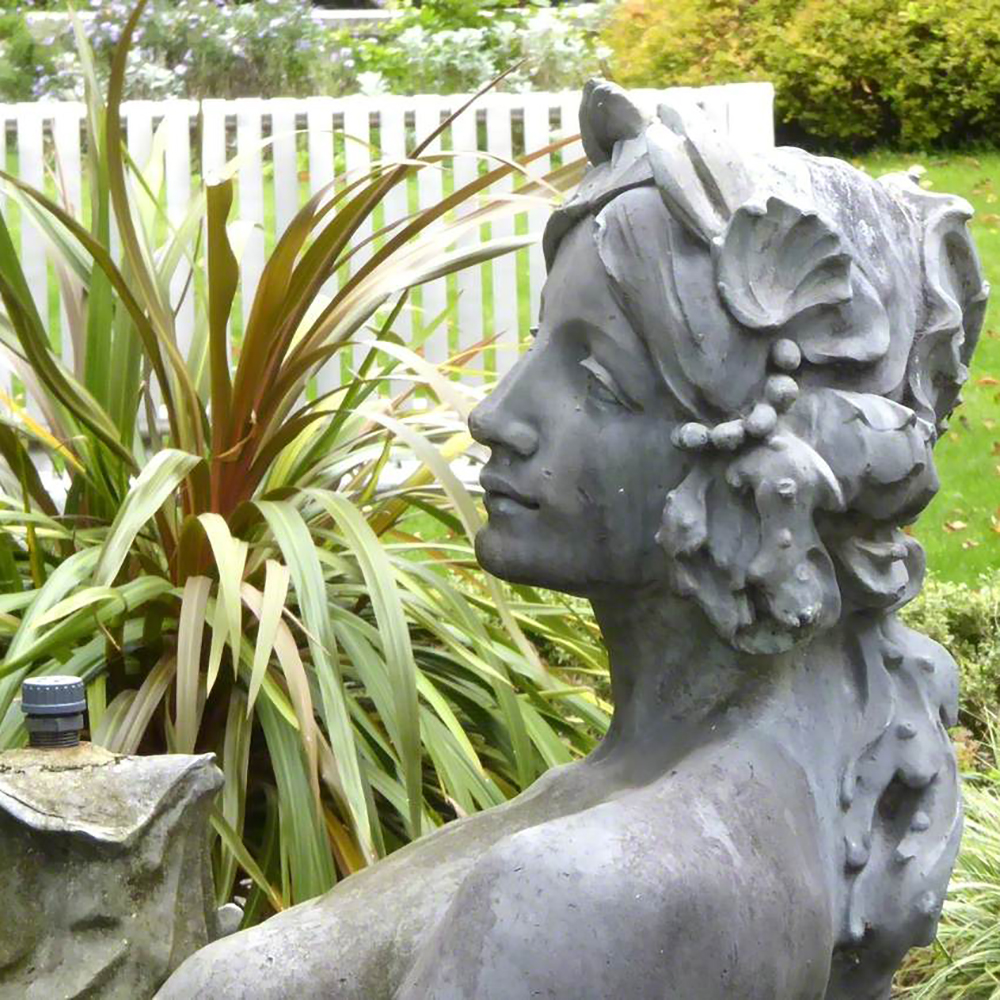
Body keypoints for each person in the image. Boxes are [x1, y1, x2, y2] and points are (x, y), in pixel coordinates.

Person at [157, 80, 986, 1000]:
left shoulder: (595, 896)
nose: (493, 414)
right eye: (542, 342)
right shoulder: (653, 803)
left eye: (597, 375)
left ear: (757, 468)